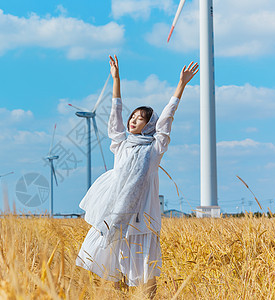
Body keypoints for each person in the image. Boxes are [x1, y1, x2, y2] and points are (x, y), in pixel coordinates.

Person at [75, 55, 199, 297]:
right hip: (116, 216)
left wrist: (180, 86)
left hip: (142, 219)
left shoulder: (154, 150)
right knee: (112, 266)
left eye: (140, 118)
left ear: (149, 124)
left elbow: (166, 120)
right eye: (133, 117)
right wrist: (116, 80)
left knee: (146, 270)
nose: (133, 120)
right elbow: (115, 115)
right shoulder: (121, 145)